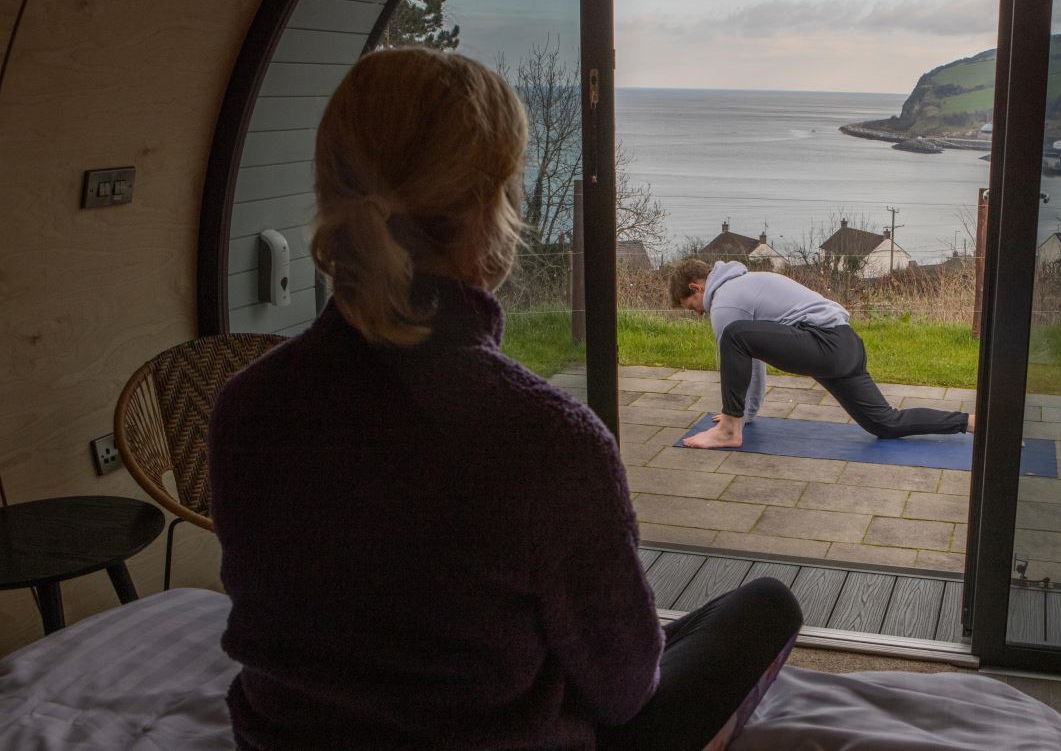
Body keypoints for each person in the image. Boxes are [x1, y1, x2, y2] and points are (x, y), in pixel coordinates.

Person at [209, 47, 800, 751]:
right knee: (766, 607)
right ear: (492, 211)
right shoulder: (548, 443)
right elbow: (623, 690)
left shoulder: (247, 408)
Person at [669, 258, 974, 449]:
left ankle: (727, 432)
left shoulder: (724, 300)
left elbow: (740, 357)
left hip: (825, 344)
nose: (696, 313)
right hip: (845, 344)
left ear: (696, 288)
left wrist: (735, 419)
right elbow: (752, 357)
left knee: (733, 337)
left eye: (691, 306)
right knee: (884, 423)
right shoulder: (746, 282)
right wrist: (744, 412)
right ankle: (971, 421)